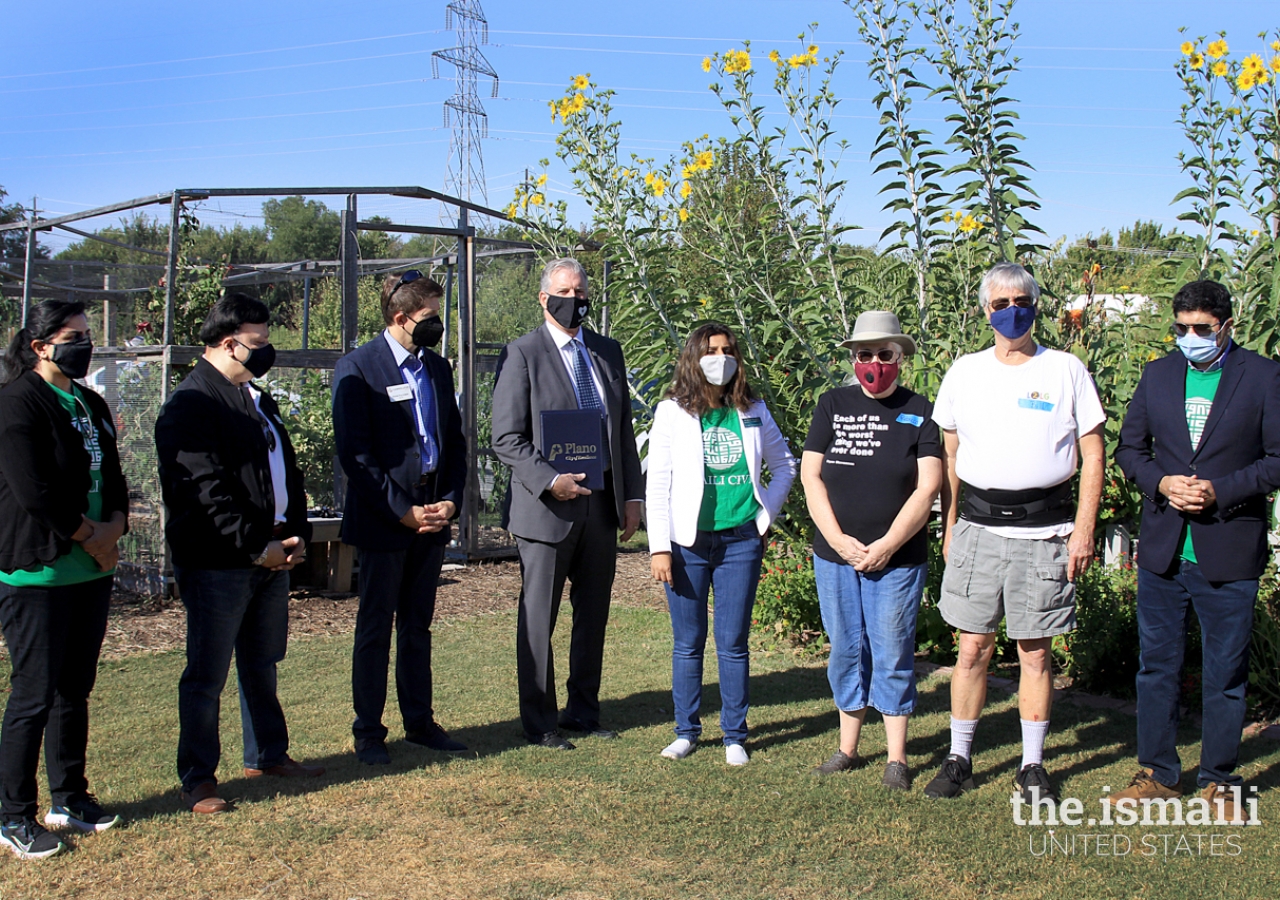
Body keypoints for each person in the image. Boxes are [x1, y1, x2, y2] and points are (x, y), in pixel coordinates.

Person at [925, 262, 1105, 803]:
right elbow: (950, 457)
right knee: (972, 649)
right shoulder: (964, 372)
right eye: (1000, 304)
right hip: (977, 529)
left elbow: (1093, 454)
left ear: (1036, 304)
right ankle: (959, 758)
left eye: (1020, 301)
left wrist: (1084, 530)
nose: (1011, 311)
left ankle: (1031, 766)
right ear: (986, 311)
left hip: (1046, 531)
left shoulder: (1066, 370)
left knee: (1035, 654)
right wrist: (950, 526)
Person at [1113, 280, 1280, 823]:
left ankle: (1220, 780)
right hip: (1164, 550)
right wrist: (1161, 484)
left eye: (1201, 329)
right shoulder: (1159, 374)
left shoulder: (1263, 377)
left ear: (1227, 327)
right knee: (1156, 668)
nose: (1190, 337)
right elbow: (1129, 450)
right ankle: (1158, 773)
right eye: (1181, 328)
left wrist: (1221, 490)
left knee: (1225, 672)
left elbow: (1278, 459)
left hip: (1228, 547)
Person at [156, 294, 323, 815]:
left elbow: (286, 473)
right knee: (207, 673)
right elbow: (204, 492)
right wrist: (257, 548)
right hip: (219, 562)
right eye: (260, 343)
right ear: (229, 343)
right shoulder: (191, 405)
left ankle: (267, 755)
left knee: (261, 661)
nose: (267, 351)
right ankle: (198, 779)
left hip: (274, 552)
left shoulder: (255, 398)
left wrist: (294, 537)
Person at [491, 258, 644, 750]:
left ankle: (584, 710)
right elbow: (506, 437)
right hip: (547, 510)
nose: (574, 300)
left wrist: (632, 497)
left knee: (593, 613)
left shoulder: (606, 352)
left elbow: (622, 431)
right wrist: (549, 480)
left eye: (580, 292)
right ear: (543, 298)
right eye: (564, 291)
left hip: (600, 506)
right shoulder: (522, 354)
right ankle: (540, 722)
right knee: (539, 619)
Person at [0, 301, 128, 859]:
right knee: (33, 693)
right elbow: (35, 493)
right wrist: (90, 536)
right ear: (39, 346)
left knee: (73, 689)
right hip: (41, 567)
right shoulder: (16, 403)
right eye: (73, 336)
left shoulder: (90, 401)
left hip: (91, 568)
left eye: (87, 335)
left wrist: (115, 529)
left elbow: (116, 476)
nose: (85, 344)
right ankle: (12, 815)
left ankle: (69, 798)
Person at [801, 311, 942, 790]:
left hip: (897, 559)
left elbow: (928, 489)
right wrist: (838, 540)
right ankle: (847, 749)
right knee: (845, 650)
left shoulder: (921, 412)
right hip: (835, 556)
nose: (874, 363)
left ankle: (896, 758)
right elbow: (810, 475)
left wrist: (886, 545)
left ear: (900, 359)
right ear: (853, 358)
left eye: (885, 355)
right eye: (865, 355)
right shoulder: (831, 405)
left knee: (892, 651)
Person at [332, 271, 468, 765]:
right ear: (400, 318)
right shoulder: (358, 368)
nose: (438, 326)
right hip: (385, 519)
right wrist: (402, 511)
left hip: (432, 513)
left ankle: (420, 723)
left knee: (418, 624)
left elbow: (453, 441)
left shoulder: (437, 368)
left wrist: (449, 500)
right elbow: (356, 456)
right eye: (430, 318)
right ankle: (369, 732)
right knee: (375, 627)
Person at [645, 324, 796, 766]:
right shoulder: (673, 411)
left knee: (733, 642)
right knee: (688, 642)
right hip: (687, 544)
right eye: (711, 351)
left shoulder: (752, 409)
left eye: (728, 350)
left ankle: (735, 735)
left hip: (740, 540)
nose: (721, 357)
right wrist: (658, 546)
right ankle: (686, 731)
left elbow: (784, 464)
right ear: (694, 357)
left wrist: (765, 511)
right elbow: (659, 482)